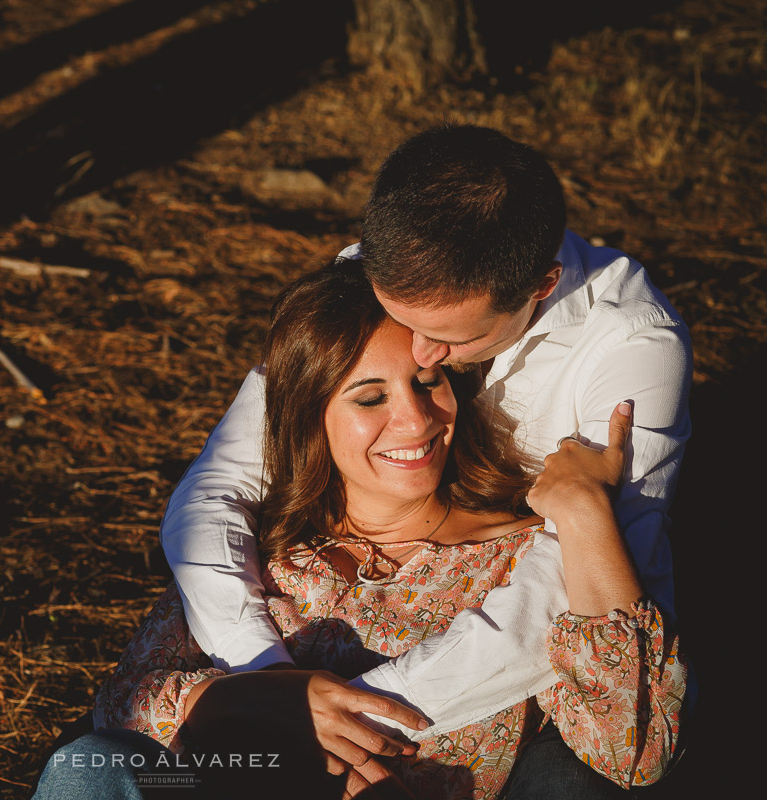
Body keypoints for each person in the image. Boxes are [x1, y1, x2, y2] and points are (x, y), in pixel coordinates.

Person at [159, 125, 691, 793]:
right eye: (400, 318)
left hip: (539, 674)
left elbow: (569, 577)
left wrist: (354, 716)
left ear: (541, 285)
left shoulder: (631, 347)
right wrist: (273, 683)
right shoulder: (383, 265)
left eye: (446, 339)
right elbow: (218, 486)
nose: (423, 355)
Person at [34, 265, 685, 799]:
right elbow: (122, 703)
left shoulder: (519, 562)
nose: (416, 420)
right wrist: (264, 698)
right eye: (370, 397)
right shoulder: (269, 549)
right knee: (90, 768)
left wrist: (585, 511)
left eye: (429, 384)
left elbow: (633, 750)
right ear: (311, 418)